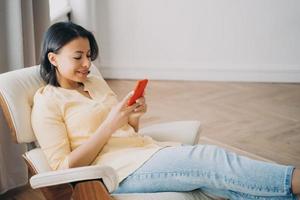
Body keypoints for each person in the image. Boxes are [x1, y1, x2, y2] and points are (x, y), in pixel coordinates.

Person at [31, 21, 300, 200]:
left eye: (89, 55)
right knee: (209, 157)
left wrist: (133, 117)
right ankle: (295, 180)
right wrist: (110, 124)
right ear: (53, 58)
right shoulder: (47, 102)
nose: (87, 63)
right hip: (114, 172)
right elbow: (62, 169)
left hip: (143, 152)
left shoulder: (93, 82)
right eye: (78, 57)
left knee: (220, 186)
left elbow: (125, 132)